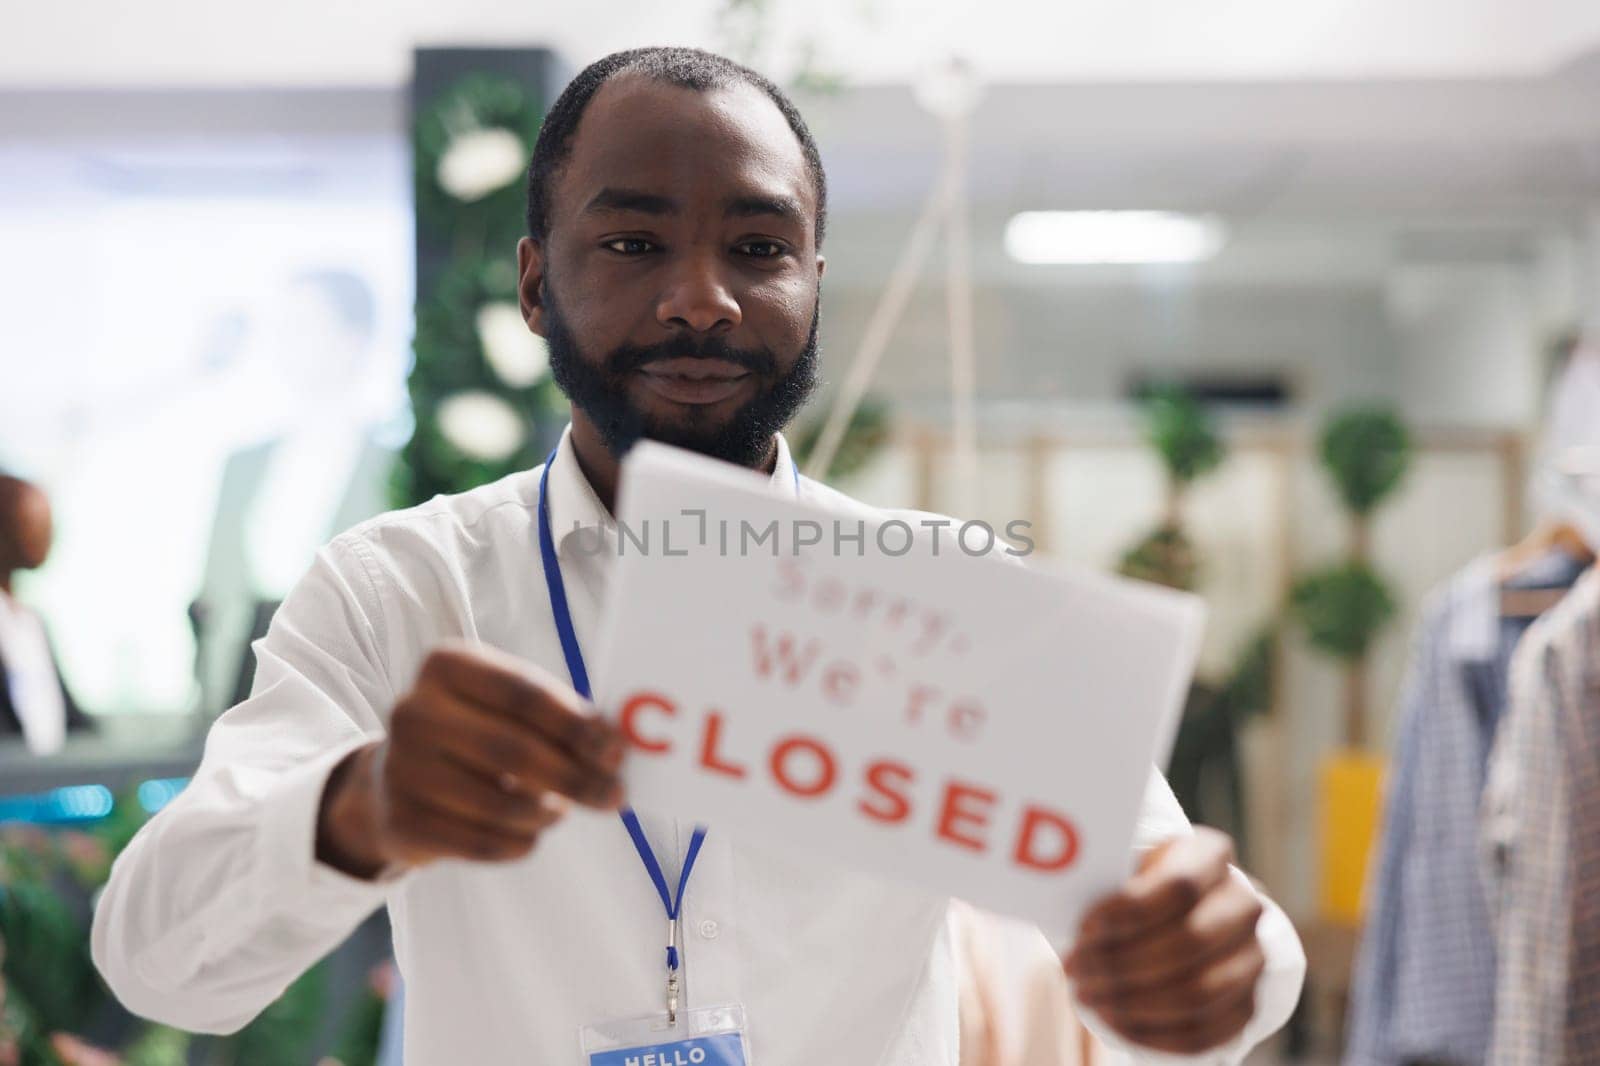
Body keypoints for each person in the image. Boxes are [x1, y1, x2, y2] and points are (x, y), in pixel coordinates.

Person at [92, 47, 1303, 1064]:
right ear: (532, 284)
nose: (702, 300)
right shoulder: (399, 592)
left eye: (760, 248)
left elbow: (1198, 918)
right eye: (632, 245)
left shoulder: (942, 594)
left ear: (816, 283)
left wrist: (1210, 961)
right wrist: (358, 807)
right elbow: (156, 962)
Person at [0, 474, 93, 752]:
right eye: (33, 521)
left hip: (44, 784)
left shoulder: (32, 623)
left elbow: (71, 720)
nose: (47, 533)